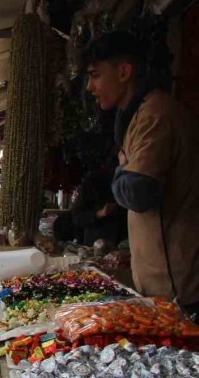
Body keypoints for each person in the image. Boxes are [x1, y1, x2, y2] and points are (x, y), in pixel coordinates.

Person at [84, 31, 199, 314]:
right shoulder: (137, 116)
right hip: (162, 284)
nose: (90, 86)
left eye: (96, 75)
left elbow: (138, 192)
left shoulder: (155, 115)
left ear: (124, 71)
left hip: (179, 288)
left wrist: (120, 172)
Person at [70, 166, 127, 245]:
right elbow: (77, 217)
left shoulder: (128, 179)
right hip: (96, 245)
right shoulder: (93, 182)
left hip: (124, 242)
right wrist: (100, 213)